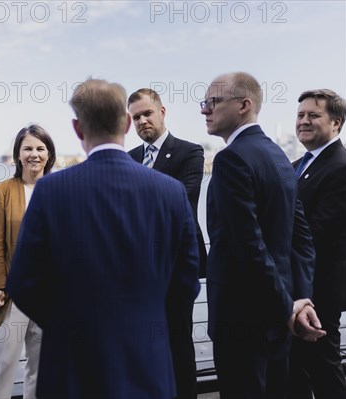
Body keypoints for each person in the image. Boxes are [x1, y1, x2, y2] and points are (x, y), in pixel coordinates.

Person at [6, 78, 201, 398]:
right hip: (148, 363)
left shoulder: (50, 191)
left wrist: (67, 324)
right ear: (126, 123)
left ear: (77, 128)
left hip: (72, 366)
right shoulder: (171, 192)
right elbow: (186, 281)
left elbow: (23, 282)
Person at [201, 72, 324, 398]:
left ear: (244, 105)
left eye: (212, 102)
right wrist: (298, 300)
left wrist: (288, 308)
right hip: (278, 315)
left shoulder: (230, 159)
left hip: (241, 319)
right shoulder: (279, 157)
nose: (204, 110)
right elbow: (302, 240)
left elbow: (248, 247)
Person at [128, 88, 206, 399]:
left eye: (147, 113)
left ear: (163, 111)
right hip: (137, 269)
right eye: (136, 117)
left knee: (177, 340)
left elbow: (182, 202)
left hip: (176, 266)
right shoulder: (130, 158)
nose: (142, 121)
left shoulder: (190, 151)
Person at [0, 125, 56, 399]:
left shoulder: (60, 190)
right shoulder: (3, 191)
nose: (34, 154)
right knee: (1, 367)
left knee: (42, 372)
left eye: (40, 148)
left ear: (49, 154)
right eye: (28, 148)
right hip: (15, 294)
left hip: (52, 296)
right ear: (18, 154)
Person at [289, 89, 346, 399]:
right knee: (295, 368)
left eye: (313, 115)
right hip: (296, 287)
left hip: (320, 291)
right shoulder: (298, 163)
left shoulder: (341, 166)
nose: (304, 121)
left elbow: (319, 233)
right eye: (300, 115)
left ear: (336, 123)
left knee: (324, 369)